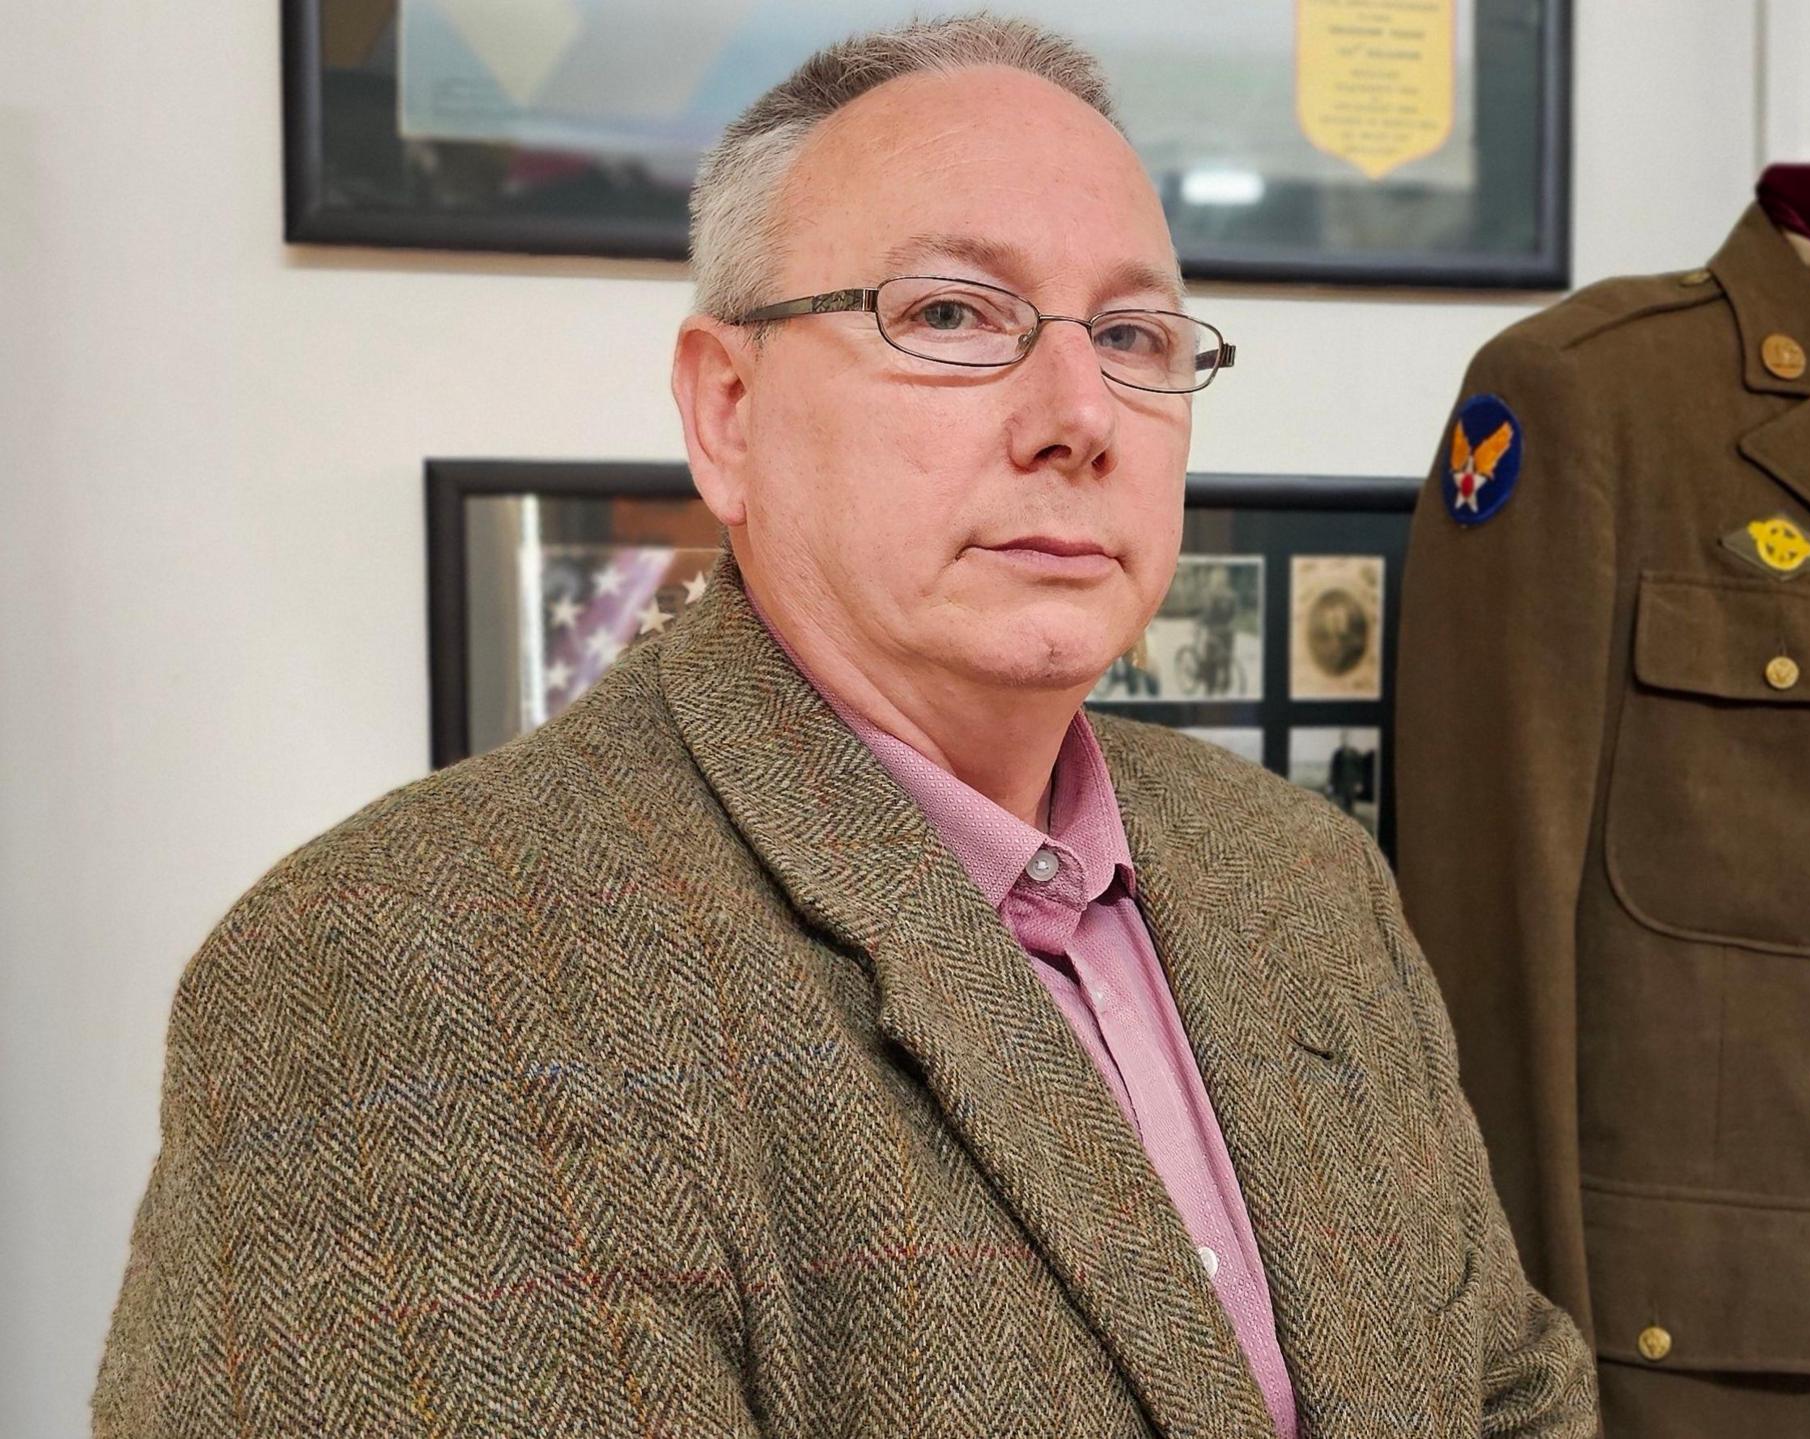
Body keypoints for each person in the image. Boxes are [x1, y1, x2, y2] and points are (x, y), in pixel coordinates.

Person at [93, 17, 1593, 1437]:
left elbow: (1518, 1392)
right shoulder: (402, 978)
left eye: (1135, 335)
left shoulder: (1301, 879)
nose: (1080, 412)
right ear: (728, 411)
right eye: (951, 313)